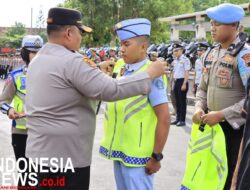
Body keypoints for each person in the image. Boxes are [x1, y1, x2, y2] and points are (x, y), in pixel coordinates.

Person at [25, 7, 167, 190]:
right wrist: (148, 74)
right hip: (66, 161)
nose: (81, 38)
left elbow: (68, 83)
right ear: (69, 32)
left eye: (126, 44)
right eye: (80, 33)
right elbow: (110, 89)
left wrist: (96, 70)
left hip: (37, 155)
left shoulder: (39, 59)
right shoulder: (72, 61)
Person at [99, 18, 170, 190]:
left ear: (143, 47)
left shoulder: (153, 73)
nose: (121, 49)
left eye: (126, 44)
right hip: (118, 150)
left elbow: (164, 118)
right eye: (121, 44)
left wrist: (156, 156)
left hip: (139, 156)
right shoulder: (120, 66)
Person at [192, 3, 250, 190]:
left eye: (218, 23)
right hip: (210, 128)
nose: (213, 28)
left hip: (235, 132)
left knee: (230, 177)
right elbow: (202, 87)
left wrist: (222, 114)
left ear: (234, 25)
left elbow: (248, 99)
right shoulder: (210, 53)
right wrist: (199, 106)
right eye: (211, 23)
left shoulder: (244, 55)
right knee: (208, 175)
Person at [0, 35, 43, 188]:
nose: (37, 56)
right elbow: (2, 101)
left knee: (43, 174)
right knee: (26, 174)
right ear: (25, 53)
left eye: (40, 52)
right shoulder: (15, 76)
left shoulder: (50, 75)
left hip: (44, 133)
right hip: (21, 132)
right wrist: (9, 109)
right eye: (33, 52)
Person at [170, 43, 191, 126]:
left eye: (177, 50)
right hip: (176, 81)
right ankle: (177, 119)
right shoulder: (175, 61)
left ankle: (182, 120)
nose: (175, 52)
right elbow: (174, 72)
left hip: (182, 81)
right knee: (177, 101)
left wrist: (184, 83)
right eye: (174, 51)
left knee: (182, 102)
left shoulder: (185, 60)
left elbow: (186, 72)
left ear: (181, 50)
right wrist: (172, 83)